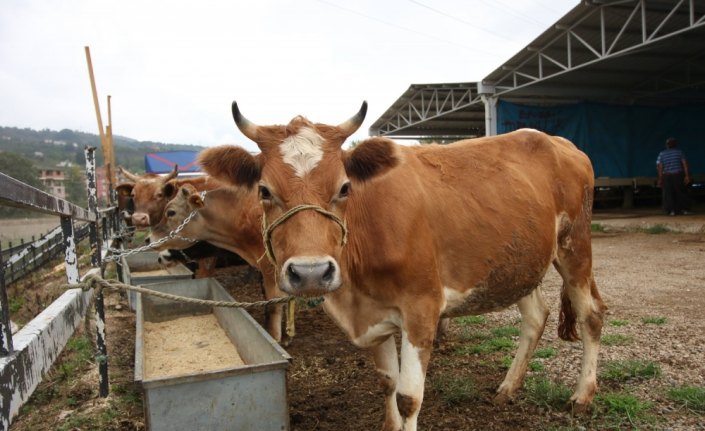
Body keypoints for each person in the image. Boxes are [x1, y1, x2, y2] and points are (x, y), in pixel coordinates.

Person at [656, 137, 692, 216]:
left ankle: (671, 211)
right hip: (677, 175)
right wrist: (687, 176)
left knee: (668, 193)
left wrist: (660, 178)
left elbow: (660, 166)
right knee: (680, 192)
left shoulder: (662, 154)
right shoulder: (679, 152)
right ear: (675, 144)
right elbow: (684, 164)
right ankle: (684, 209)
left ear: (667, 145)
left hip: (667, 176)